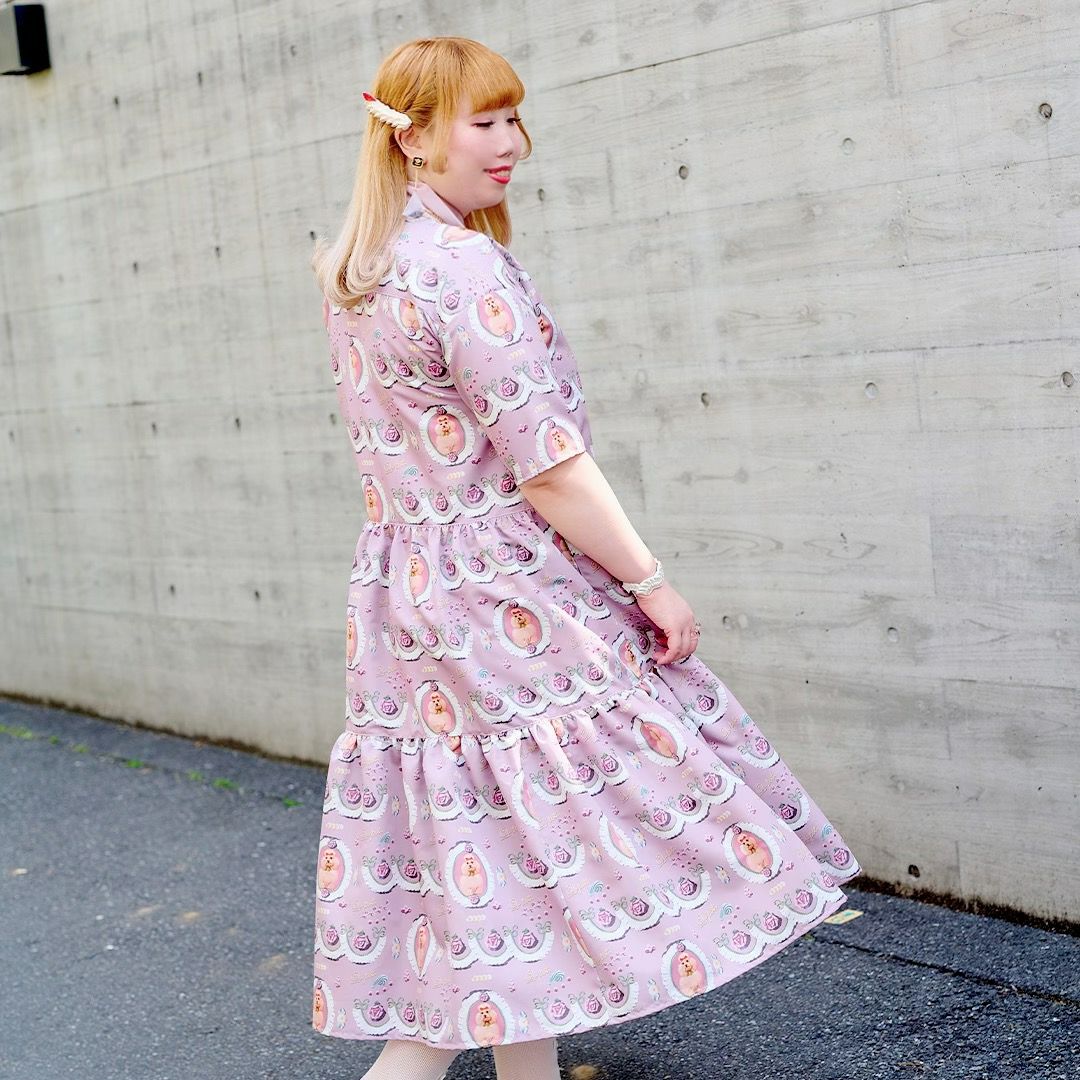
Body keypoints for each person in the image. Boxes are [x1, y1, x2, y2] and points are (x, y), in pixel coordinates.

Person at [309, 35, 862, 1080]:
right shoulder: (461, 267)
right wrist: (651, 581)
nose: (512, 143)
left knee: (489, 837)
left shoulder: (362, 273)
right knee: (566, 808)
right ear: (413, 138)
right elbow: (550, 466)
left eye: (514, 118)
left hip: (407, 592)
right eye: (485, 122)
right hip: (504, 591)